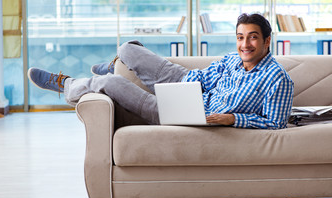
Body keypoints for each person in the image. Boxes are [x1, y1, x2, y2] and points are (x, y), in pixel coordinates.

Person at [28, 13, 294, 129]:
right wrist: (181, 82)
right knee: (128, 48)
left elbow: (276, 123)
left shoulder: (277, 79)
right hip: (190, 85)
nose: (244, 45)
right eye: (240, 37)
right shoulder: (231, 59)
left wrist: (232, 119)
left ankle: (67, 84)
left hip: (188, 115)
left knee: (111, 84)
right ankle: (119, 63)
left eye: (253, 38)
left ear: (267, 40)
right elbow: (207, 78)